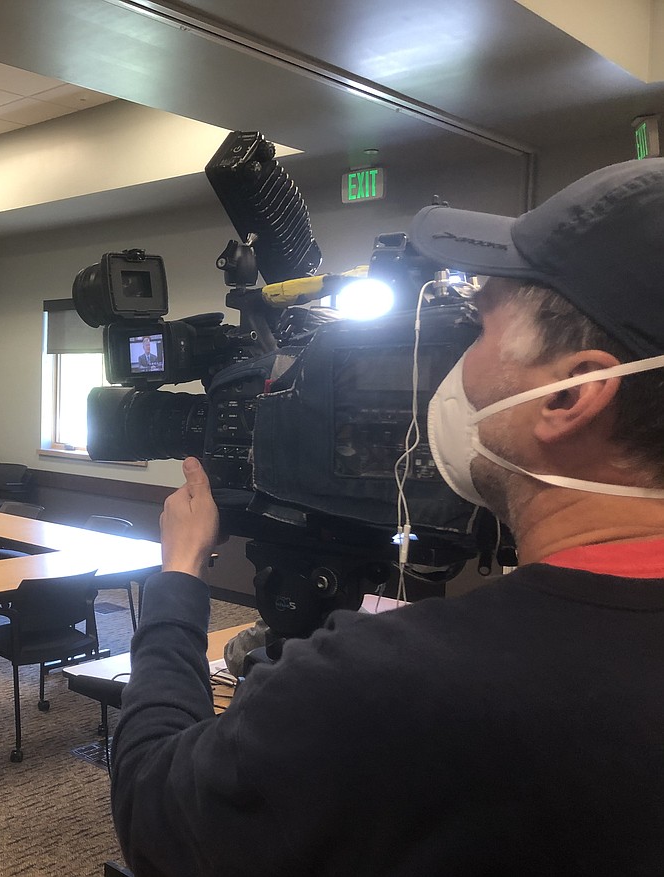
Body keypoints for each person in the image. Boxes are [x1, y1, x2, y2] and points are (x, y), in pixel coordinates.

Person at [110, 158, 664, 875]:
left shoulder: (386, 686)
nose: (449, 367)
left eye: (479, 325)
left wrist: (179, 576)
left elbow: (157, 812)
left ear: (571, 394)